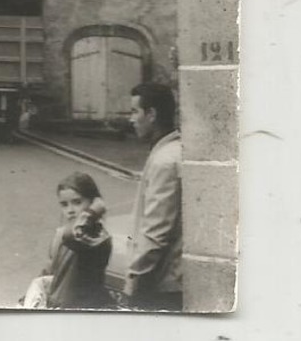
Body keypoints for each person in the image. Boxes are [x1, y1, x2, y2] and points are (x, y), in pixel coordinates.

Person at [125, 82, 182, 311]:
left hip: (161, 286)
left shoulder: (164, 162)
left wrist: (133, 281)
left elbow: (155, 233)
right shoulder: (173, 151)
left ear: (151, 114)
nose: (130, 119)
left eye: (134, 111)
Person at [21, 171, 114, 310]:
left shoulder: (99, 239)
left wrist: (91, 213)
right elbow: (50, 271)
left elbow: (75, 236)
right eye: (64, 205)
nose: (70, 210)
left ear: (93, 202)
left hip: (81, 310)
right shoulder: (62, 234)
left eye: (77, 202)